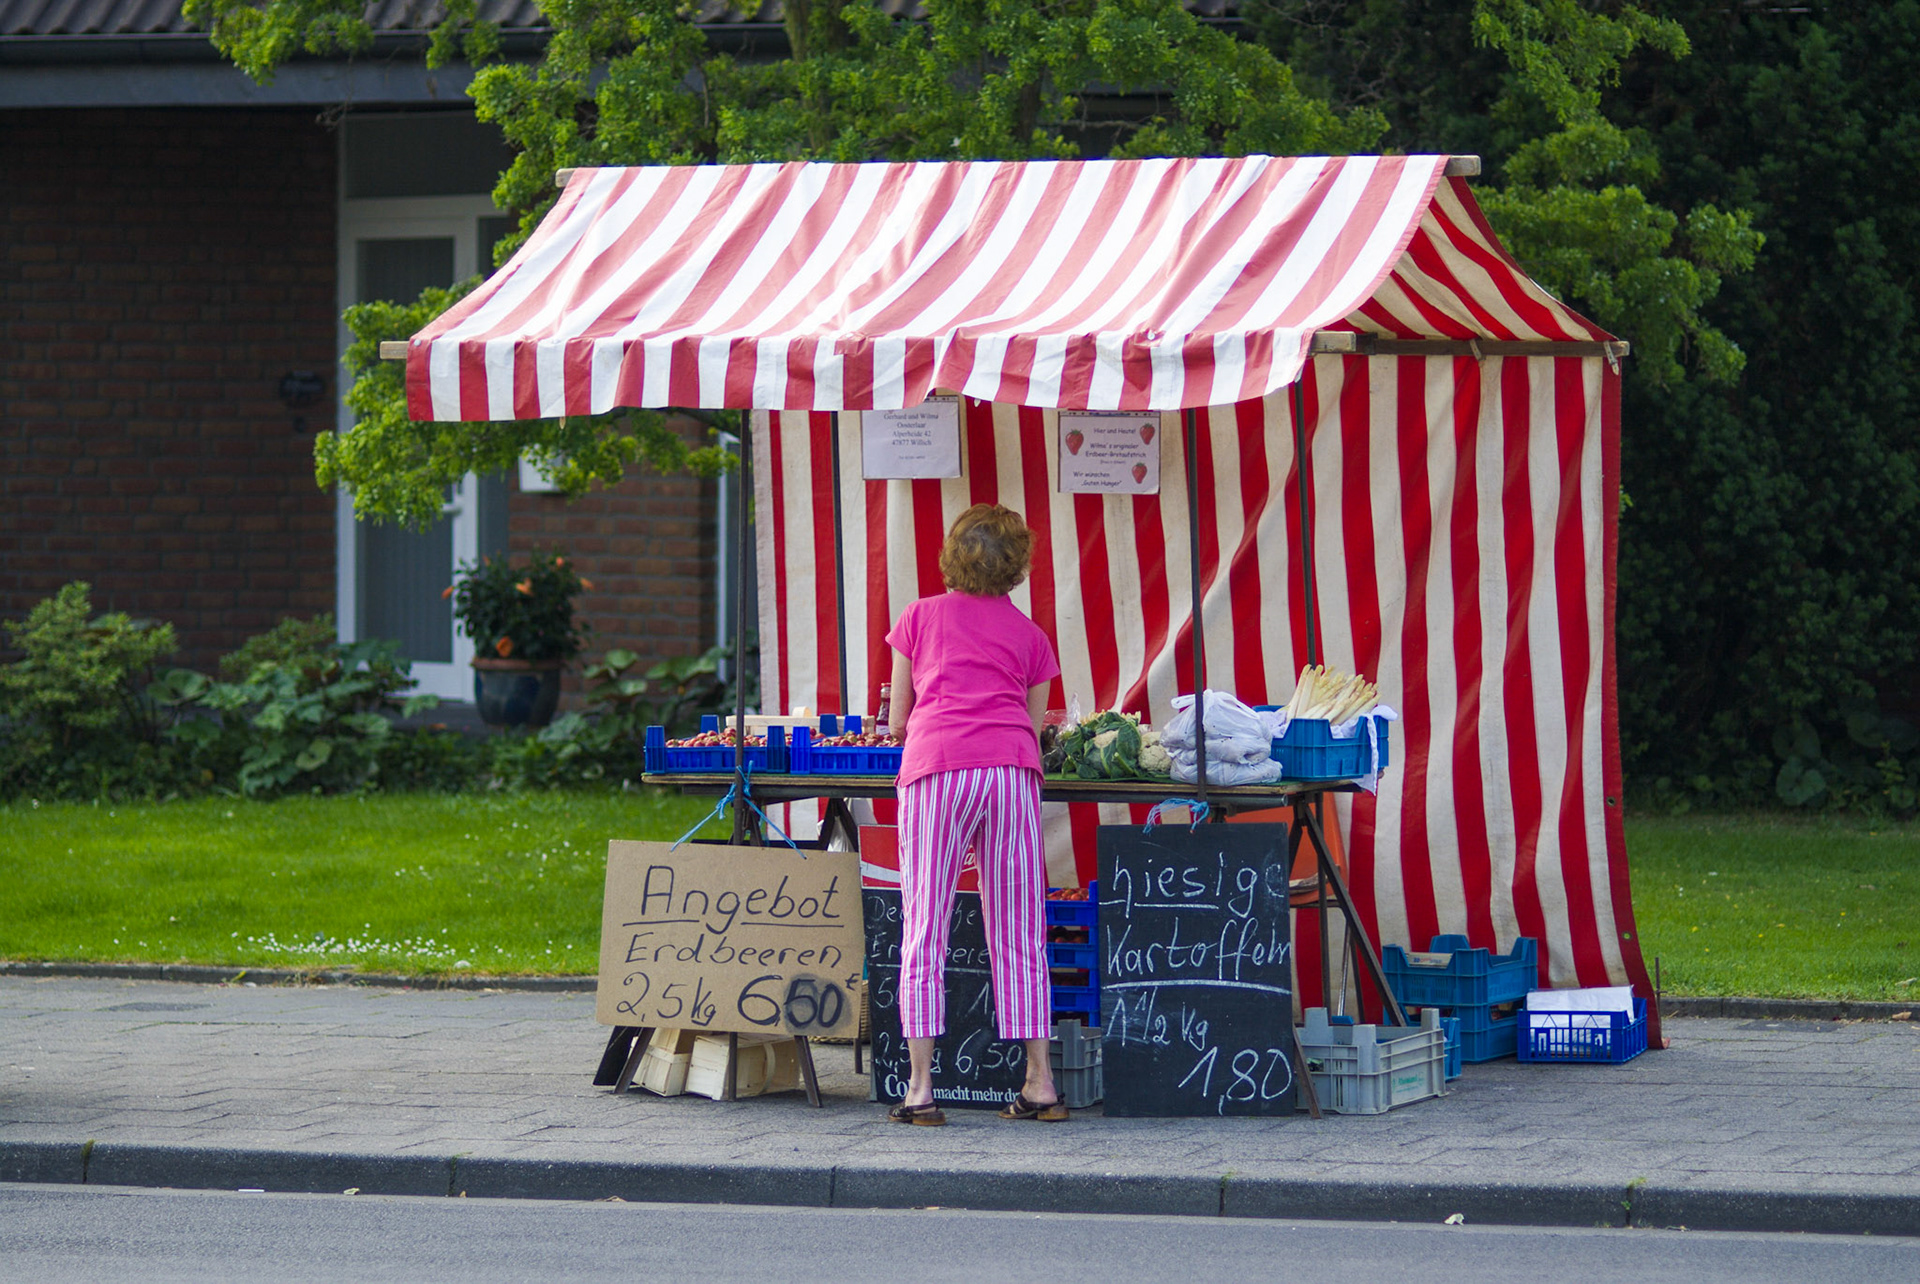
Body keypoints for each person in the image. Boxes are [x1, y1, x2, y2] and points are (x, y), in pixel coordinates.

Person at [884, 502, 1067, 1125]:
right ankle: (1040, 1083)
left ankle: (919, 1091)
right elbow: (1038, 723)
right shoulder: (1033, 638)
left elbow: (899, 720)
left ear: (952, 555)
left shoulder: (918, 617)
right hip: (1012, 770)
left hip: (936, 767)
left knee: (925, 925)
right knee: (1018, 928)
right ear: (1017, 568)